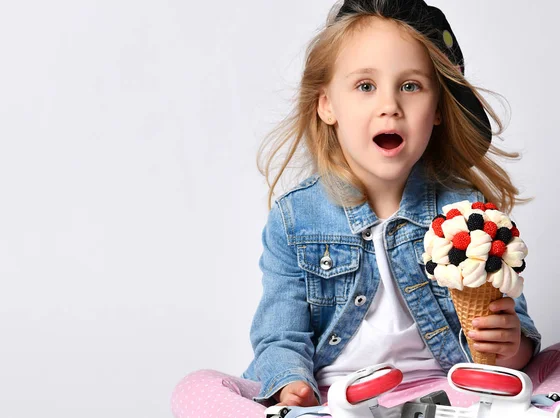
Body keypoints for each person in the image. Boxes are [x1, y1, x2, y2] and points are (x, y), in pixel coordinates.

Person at [171, 0, 560, 416]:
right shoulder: (294, 219)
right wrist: (293, 387)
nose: (390, 105)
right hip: (336, 398)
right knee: (195, 388)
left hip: (449, 393)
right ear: (327, 105)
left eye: (411, 86)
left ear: (438, 111)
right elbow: (280, 337)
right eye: (365, 86)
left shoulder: (471, 215)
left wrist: (510, 344)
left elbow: (514, 339)